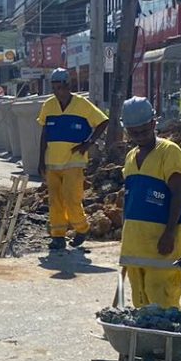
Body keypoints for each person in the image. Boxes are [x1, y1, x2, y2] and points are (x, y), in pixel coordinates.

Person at [118, 96, 181, 308]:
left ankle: (162, 342)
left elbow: (177, 193)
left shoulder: (169, 152)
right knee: (140, 302)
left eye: (144, 131)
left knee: (162, 300)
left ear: (154, 123)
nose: (140, 137)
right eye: (134, 133)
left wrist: (169, 232)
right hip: (138, 245)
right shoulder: (131, 157)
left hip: (163, 244)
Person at [36, 68, 109, 252]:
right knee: (55, 200)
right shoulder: (49, 106)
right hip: (53, 161)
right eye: (54, 88)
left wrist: (88, 143)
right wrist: (40, 160)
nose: (57, 92)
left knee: (71, 198)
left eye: (60, 87)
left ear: (68, 86)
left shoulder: (81, 105)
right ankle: (58, 236)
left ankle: (82, 228)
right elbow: (44, 133)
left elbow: (103, 121)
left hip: (73, 161)